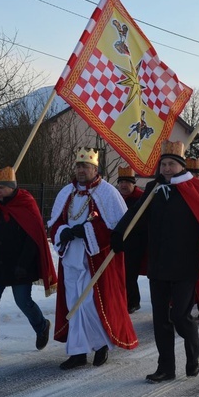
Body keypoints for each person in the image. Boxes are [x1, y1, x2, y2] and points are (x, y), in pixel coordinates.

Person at [111, 141, 199, 382]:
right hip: (158, 264)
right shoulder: (153, 191)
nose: (166, 169)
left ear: (180, 166)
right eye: (163, 164)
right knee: (160, 320)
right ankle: (165, 367)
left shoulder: (196, 191)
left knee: (179, 316)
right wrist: (119, 234)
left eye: (171, 164)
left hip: (185, 265)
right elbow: (134, 216)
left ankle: (193, 352)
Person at [49, 147, 138, 370]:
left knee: (89, 303)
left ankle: (100, 346)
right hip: (70, 257)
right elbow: (54, 223)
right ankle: (78, 352)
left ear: (95, 168)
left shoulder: (108, 193)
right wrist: (64, 232)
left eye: (85, 166)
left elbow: (117, 228)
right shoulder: (66, 193)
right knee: (74, 304)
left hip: (95, 258)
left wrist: (86, 230)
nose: (81, 170)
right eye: (78, 166)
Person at [0, 166, 57, 362]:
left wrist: (23, 264)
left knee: (23, 301)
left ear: (12, 187)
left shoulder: (26, 203)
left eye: (2, 188)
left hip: (21, 266)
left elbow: (34, 237)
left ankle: (41, 326)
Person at [116, 165, 145, 314]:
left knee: (129, 273)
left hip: (136, 242)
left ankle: (133, 301)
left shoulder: (141, 199)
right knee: (120, 272)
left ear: (133, 184)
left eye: (127, 182)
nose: (123, 185)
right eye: (121, 182)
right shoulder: (116, 198)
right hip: (119, 240)